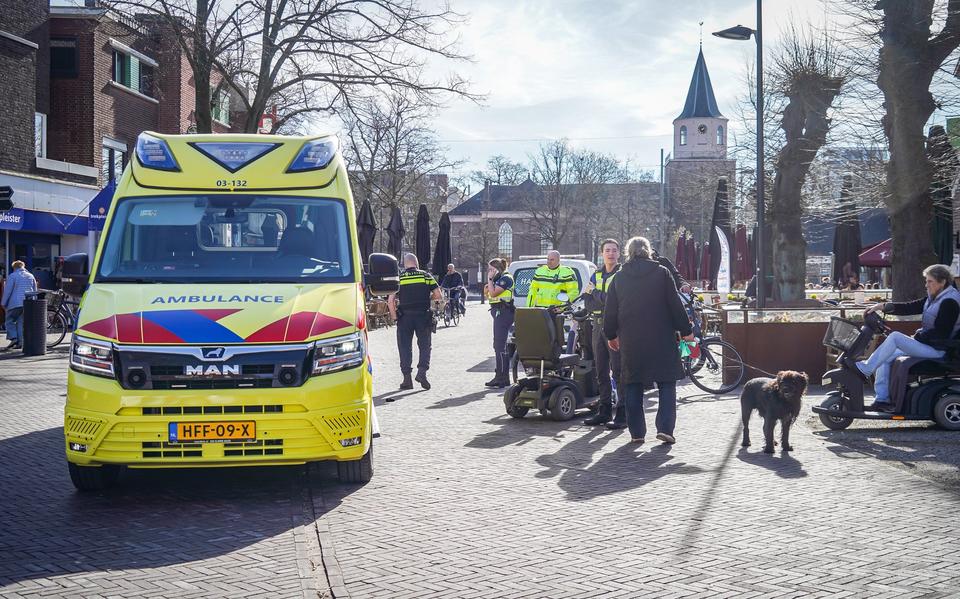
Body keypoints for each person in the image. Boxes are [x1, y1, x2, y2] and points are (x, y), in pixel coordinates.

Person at [603, 237, 694, 445]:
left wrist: (611, 335)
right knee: (666, 382)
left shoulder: (619, 277)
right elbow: (675, 305)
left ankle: (637, 433)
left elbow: (611, 310)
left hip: (632, 340)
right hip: (661, 338)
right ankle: (665, 429)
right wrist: (686, 331)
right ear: (648, 251)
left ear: (628, 252)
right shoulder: (662, 273)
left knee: (633, 384)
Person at [854, 264, 960, 411]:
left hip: (940, 350)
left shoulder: (950, 302)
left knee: (895, 337)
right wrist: (882, 306)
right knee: (886, 357)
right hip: (929, 345)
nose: (926, 285)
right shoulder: (936, 297)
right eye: (926, 281)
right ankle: (882, 400)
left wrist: (917, 336)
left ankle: (865, 369)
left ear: (942, 282)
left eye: (930, 281)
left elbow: (941, 334)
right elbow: (910, 307)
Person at [583, 239, 624, 428]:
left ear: (619, 253)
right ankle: (604, 411)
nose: (611, 254)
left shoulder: (622, 275)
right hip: (597, 326)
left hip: (615, 326)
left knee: (618, 371)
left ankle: (622, 414)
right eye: (607, 250)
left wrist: (596, 294)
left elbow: (615, 301)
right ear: (602, 254)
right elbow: (587, 302)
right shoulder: (596, 275)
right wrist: (602, 299)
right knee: (601, 371)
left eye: (614, 250)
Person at [388, 253, 442, 390]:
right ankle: (422, 372)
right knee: (425, 346)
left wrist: (394, 317)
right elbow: (438, 295)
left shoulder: (399, 278)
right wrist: (428, 299)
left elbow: (390, 301)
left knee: (404, 347)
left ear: (404, 264)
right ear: (416, 263)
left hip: (404, 317)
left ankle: (407, 380)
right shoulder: (425, 276)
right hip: (423, 316)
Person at [485, 258, 514, 388]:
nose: (489, 271)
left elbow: (493, 293)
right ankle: (503, 376)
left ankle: (501, 377)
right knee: (500, 346)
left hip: (503, 312)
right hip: (499, 312)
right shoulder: (500, 279)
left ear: (497, 269)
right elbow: (489, 294)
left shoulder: (505, 278)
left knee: (499, 345)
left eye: (491, 269)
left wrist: (490, 280)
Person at [2, 261, 38, 351]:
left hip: (15, 303)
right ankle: (20, 342)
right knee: (20, 322)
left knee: (9, 321)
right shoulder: (31, 276)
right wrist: (34, 302)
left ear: (14, 267)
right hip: (27, 303)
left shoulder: (13, 276)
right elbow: (35, 290)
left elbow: (8, 291)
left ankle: (14, 338)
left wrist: (3, 303)